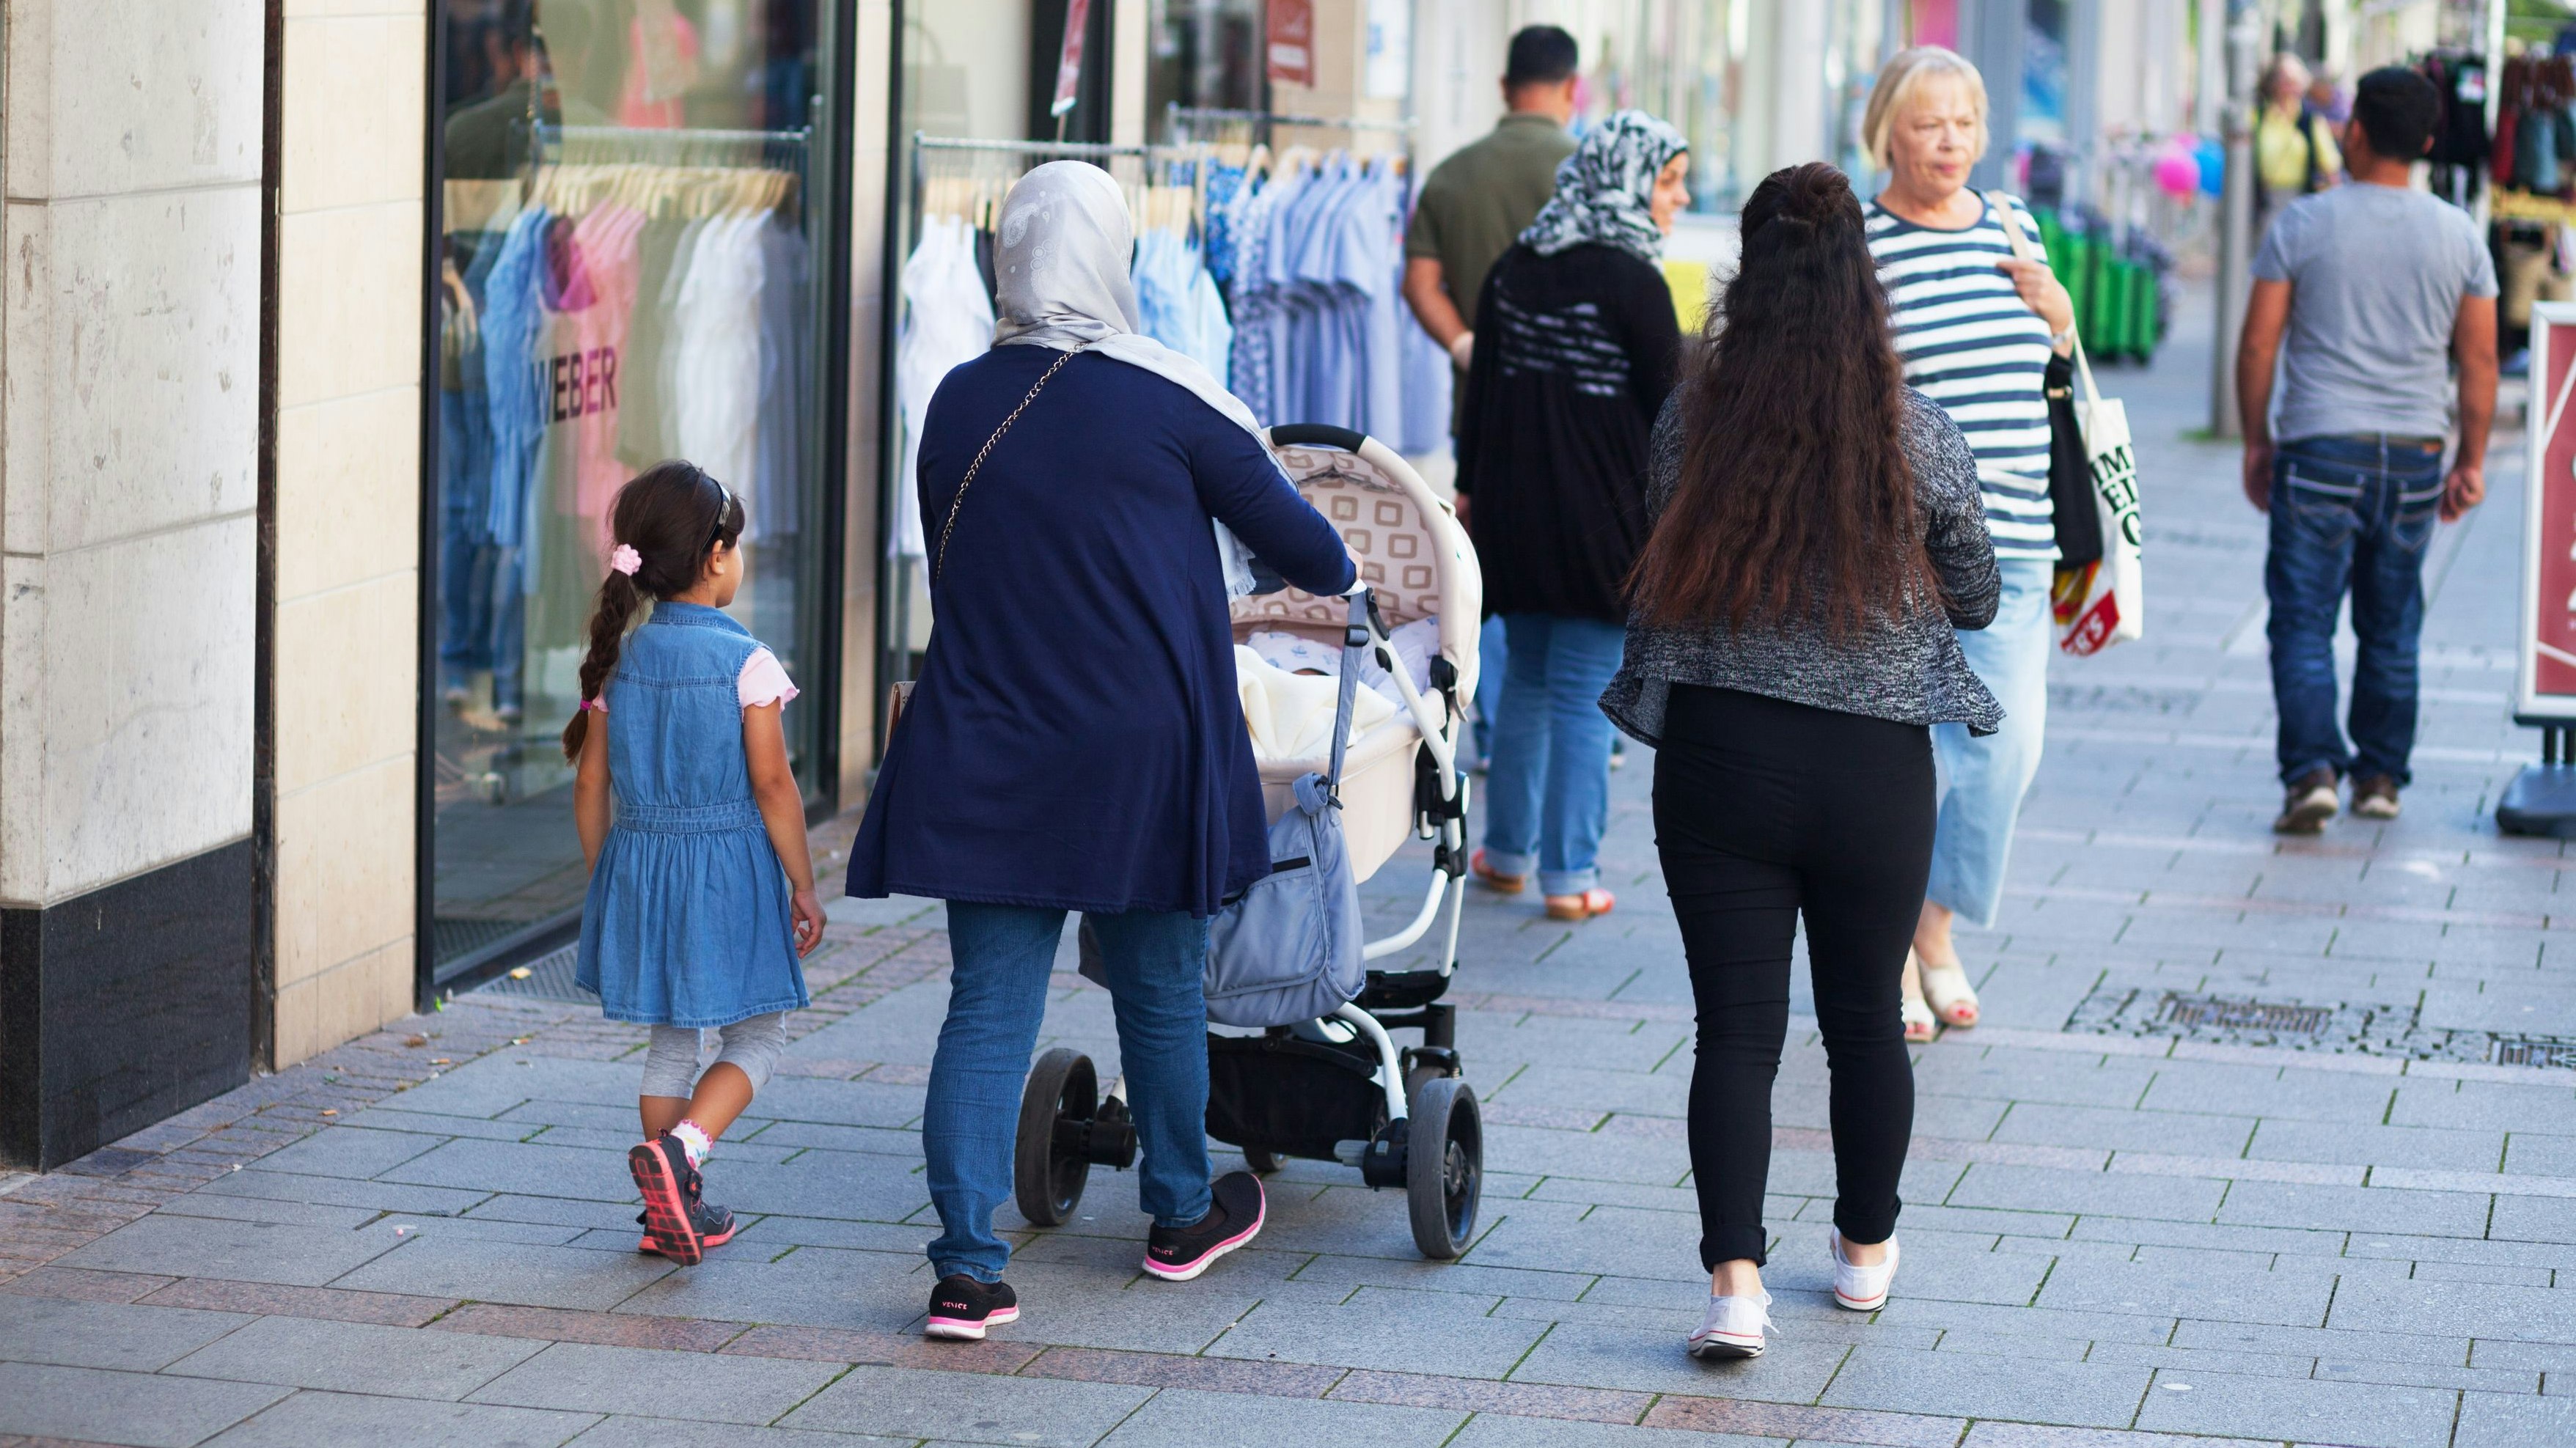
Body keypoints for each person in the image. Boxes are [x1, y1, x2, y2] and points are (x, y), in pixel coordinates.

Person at [845, 163, 1355, 1340]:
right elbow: (1314, 552)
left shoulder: (961, 398)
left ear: (1007, 255)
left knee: (986, 1006)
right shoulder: (1171, 397)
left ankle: (967, 1270)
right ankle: (1179, 1210)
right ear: (1113, 255)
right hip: (1140, 749)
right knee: (1161, 983)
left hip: (985, 738)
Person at [1605, 161, 2000, 1361]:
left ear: (1749, 279)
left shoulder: (1690, 421)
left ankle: (1733, 1289)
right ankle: (1864, 1254)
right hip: (1870, 771)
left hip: (1720, 757)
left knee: (1733, 1029)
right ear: (1858, 289)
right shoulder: (1914, 435)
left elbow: (1659, 552)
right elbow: (1975, 594)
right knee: (1862, 1026)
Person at [1861, 46, 2073, 1038]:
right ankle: (1900, 944)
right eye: (1927, 123)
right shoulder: (1859, 243)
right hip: (1898, 541)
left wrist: (2064, 320)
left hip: (2019, 535)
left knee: (2004, 747)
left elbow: (2055, 364)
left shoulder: (2013, 224)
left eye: (1964, 123)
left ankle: (1932, 925)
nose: (1950, 142)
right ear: (1886, 134)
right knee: (1917, 756)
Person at [566, 461, 826, 1268]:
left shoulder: (625, 655)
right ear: (717, 556)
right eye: (737, 543)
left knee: (672, 1039)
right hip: (726, 869)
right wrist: (805, 882)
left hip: (643, 863)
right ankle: (684, 1154)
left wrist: (605, 874)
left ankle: (667, 1207)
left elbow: (590, 779)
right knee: (762, 1029)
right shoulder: (745, 659)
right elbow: (773, 781)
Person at [2236, 67, 2497, 832]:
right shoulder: (2459, 234)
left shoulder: (2302, 225)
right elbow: (2479, 362)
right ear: (2425, 142)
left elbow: (2258, 344)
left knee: (2303, 619)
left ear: (2353, 132)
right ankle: (2380, 775)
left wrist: (2258, 439)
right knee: (2392, 623)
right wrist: (2470, 459)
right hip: (2415, 452)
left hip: (2318, 445)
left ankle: (2312, 770)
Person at [1457, 112, 1689, 922]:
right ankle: (1571, 874)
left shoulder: (1514, 268)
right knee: (1586, 688)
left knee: (1523, 678)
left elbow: (1479, 396)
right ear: (1627, 180)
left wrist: (1467, 488)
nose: (1678, 197)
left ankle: (1509, 854)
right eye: (1668, 180)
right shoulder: (1633, 280)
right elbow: (1675, 411)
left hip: (1513, 515)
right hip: (1604, 522)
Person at [1402, 23, 1582, 769]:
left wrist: (1464, 343)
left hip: (1480, 409)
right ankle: (1547, 729)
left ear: (1506, 87)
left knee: (1485, 563)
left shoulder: (1452, 173)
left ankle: (1491, 718)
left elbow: (1419, 284)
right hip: (1574, 413)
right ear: (1572, 89)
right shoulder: (1585, 172)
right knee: (1561, 572)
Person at [2256, 54, 2343, 234]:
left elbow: (2331, 167)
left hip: (2300, 201)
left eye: (2295, 80)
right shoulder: (2258, 118)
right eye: (2285, 80)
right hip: (2262, 201)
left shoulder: (2311, 121)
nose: (2291, 87)